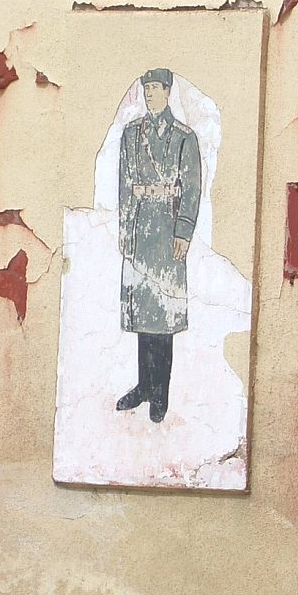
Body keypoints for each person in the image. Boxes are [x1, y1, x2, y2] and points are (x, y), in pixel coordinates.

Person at [115, 68, 201, 423]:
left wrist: (184, 231)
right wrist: (125, 229)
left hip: (167, 228)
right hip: (140, 226)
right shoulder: (131, 134)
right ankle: (144, 385)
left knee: (163, 315)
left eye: (155, 88)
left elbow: (191, 187)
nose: (149, 94)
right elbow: (125, 184)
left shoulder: (184, 137)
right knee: (142, 312)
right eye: (146, 88)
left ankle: (160, 392)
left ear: (167, 91)